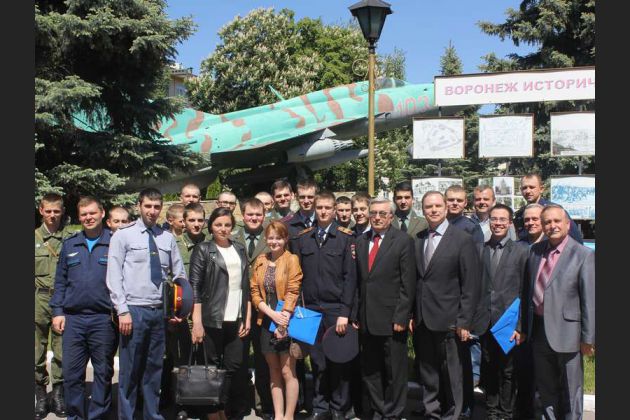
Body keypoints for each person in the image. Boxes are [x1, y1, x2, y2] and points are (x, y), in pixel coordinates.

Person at [106, 187, 188, 420]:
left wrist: (178, 308)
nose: (152, 211)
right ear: (139, 206)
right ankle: (127, 416)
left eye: (156, 207)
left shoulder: (167, 238)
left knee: (154, 369)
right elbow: (113, 276)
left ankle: (152, 415)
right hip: (133, 311)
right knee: (130, 371)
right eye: (148, 206)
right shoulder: (123, 235)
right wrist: (122, 311)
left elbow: (179, 275)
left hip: (159, 312)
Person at [411, 191, 481, 420]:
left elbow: (470, 284)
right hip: (423, 318)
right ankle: (432, 412)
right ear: (423, 210)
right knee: (428, 371)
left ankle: (453, 414)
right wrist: (412, 314)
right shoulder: (419, 239)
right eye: (428, 206)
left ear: (445, 208)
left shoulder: (462, 239)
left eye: (437, 206)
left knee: (452, 373)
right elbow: (416, 280)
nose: (433, 210)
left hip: (450, 319)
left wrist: (464, 321)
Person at [521, 204, 595, 420]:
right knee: (546, 388)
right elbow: (527, 292)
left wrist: (588, 338)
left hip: (569, 333)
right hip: (538, 331)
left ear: (567, 224)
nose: (552, 225)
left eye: (556, 221)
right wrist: (523, 327)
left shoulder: (583, 255)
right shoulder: (534, 251)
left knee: (571, 389)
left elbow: (589, 300)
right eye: (547, 222)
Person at [291, 191, 357, 420]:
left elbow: (350, 279)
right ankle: (320, 407)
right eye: (320, 207)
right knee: (317, 361)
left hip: (335, 309)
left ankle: (339, 407)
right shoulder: (303, 238)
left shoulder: (345, 238)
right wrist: (298, 309)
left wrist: (345, 313)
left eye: (328, 207)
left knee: (338, 360)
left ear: (335, 210)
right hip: (309, 309)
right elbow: (297, 278)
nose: (323, 211)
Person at [50, 196, 117, 420]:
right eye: (84, 214)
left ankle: (98, 416)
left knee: (103, 373)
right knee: (71, 375)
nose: (88, 217)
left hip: (103, 319)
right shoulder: (70, 244)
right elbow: (60, 281)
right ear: (79, 217)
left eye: (92, 213)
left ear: (102, 213)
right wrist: (57, 312)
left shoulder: (114, 243)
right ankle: (75, 416)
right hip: (74, 320)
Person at [355, 198, 416, 420]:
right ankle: (379, 410)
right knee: (371, 370)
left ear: (391, 216)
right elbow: (359, 282)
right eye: (373, 213)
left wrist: (402, 316)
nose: (377, 217)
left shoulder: (403, 241)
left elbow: (408, 283)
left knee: (394, 371)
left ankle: (394, 413)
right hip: (366, 318)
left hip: (392, 318)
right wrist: (355, 314)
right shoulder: (361, 241)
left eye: (382, 213)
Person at [189, 207, 252, 420]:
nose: (223, 229)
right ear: (211, 227)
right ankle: (213, 412)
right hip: (211, 318)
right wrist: (197, 322)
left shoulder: (239, 249)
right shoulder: (204, 249)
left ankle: (222, 407)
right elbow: (195, 287)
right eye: (218, 225)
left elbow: (246, 285)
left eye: (227, 225)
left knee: (234, 365)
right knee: (211, 367)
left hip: (236, 318)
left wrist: (246, 316)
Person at [472, 204, 528, 420]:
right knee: (489, 367)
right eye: (494, 219)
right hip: (485, 320)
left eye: (502, 219)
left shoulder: (521, 252)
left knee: (508, 370)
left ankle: (506, 412)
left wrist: (520, 325)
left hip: (509, 322)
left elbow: (525, 291)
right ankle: (492, 410)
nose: (497, 223)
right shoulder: (479, 249)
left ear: (510, 223)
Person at [250, 221, 303, 420]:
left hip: (286, 320)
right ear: (266, 239)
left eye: (278, 238)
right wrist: (270, 313)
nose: (274, 242)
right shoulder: (261, 260)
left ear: (285, 239)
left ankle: (289, 416)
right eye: (271, 238)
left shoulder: (291, 259)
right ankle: (278, 415)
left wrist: (283, 320)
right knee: (273, 372)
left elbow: (293, 290)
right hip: (266, 320)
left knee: (288, 371)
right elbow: (254, 291)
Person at [168, 202, 209, 419]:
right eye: (191, 220)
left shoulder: (211, 243)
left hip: (206, 310)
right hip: (181, 312)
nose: (196, 224)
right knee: (181, 360)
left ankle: (203, 402)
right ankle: (182, 404)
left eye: (200, 220)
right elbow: (168, 280)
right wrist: (172, 312)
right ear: (183, 221)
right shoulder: (173, 244)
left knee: (204, 358)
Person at [234, 198, 274, 420]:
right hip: (237, 305)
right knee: (238, 357)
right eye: (250, 214)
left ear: (264, 215)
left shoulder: (271, 238)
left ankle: (263, 404)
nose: (254, 218)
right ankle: (239, 403)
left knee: (262, 357)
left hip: (263, 306)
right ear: (243, 215)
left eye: (258, 215)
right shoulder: (233, 237)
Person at [35, 193, 72, 418]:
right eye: (48, 211)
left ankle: (58, 393)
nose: (52, 215)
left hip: (63, 301)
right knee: (35, 350)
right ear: (41, 210)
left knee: (62, 349)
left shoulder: (70, 239)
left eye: (56, 211)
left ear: (62, 211)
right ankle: (40, 394)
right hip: (37, 300)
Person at [513, 174, 583, 243]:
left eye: (532, 187)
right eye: (524, 188)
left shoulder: (554, 210)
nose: (528, 191)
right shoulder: (520, 214)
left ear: (541, 189)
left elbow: (575, 238)